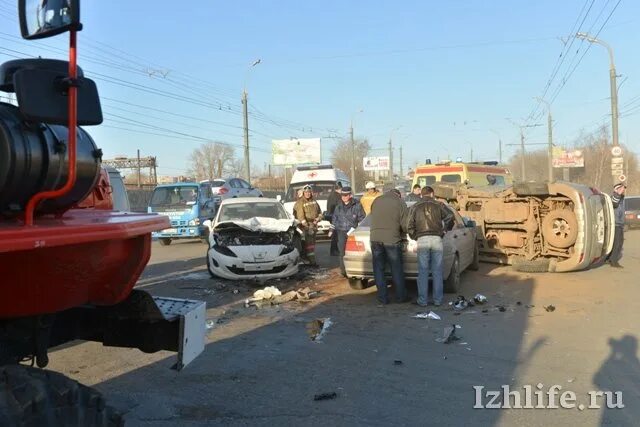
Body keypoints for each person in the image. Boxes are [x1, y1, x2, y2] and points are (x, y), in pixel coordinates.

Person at [407, 186, 454, 307]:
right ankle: (438, 300)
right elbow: (450, 217)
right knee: (437, 271)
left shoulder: (415, 206)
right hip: (437, 239)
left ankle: (422, 301)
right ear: (432, 194)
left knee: (422, 271)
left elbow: (409, 225)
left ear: (421, 194)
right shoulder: (439, 204)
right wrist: (444, 231)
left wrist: (415, 236)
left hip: (422, 239)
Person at [369, 189, 409, 305]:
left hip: (375, 238)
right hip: (392, 239)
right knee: (396, 268)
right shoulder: (399, 202)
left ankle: (383, 298)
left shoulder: (376, 200)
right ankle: (401, 297)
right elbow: (405, 225)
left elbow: (372, 216)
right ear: (398, 195)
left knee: (378, 269)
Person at [332, 186, 366, 277]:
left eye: (346, 195)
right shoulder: (338, 206)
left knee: (355, 252)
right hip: (341, 231)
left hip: (353, 232)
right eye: (342, 195)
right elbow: (335, 218)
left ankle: (357, 270)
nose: (344, 197)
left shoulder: (357, 205)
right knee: (342, 252)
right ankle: (343, 271)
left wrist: (357, 228)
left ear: (350, 195)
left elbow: (362, 218)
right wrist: (332, 229)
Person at [293, 185, 322, 266]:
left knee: (312, 245)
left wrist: (318, 219)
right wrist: (307, 227)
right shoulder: (300, 202)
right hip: (306, 227)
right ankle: (312, 262)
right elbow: (301, 217)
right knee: (309, 245)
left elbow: (320, 212)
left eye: (309, 192)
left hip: (314, 225)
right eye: (306, 192)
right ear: (303, 193)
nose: (308, 194)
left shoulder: (314, 201)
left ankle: (309, 261)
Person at [609, 182, 627, 268]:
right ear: (616, 189)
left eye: (623, 189)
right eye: (621, 189)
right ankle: (613, 261)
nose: (623, 190)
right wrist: (618, 194)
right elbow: (614, 204)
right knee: (616, 243)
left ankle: (612, 258)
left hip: (620, 224)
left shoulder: (622, 198)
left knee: (620, 243)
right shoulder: (614, 197)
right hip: (615, 224)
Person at [326, 182, 343, 256]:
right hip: (336, 217)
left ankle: (334, 250)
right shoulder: (338, 196)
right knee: (335, 235)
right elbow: (340, 207)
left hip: (331, 216)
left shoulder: (331, 195)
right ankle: (334, 250)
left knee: (334, 234)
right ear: (339, 189)